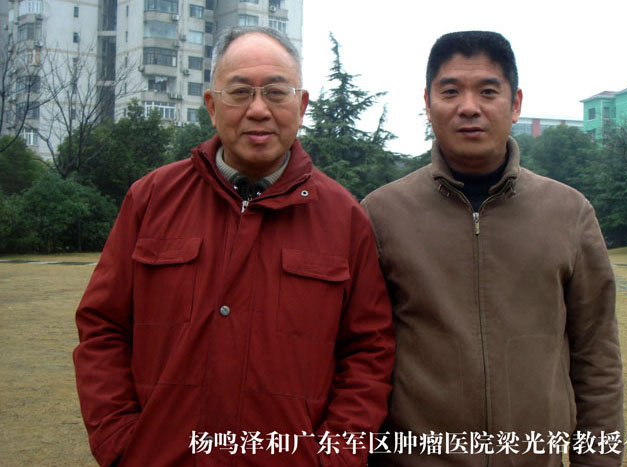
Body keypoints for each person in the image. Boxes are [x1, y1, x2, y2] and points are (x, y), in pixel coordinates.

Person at [73, 26, 394, 467]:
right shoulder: (151, 200)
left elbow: (368, 352)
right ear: (211, 105)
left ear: (302, 106)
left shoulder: (344, 218)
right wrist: (120, 442)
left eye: (276, 93)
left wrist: (334, 456)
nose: (258, 110)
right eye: (240, 92)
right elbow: (102, 327)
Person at [362, 31, 623, 466]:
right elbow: (361, 358)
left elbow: (597, 357)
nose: (469, 107)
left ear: (515, 104)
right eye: (450, 91)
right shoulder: (382, 214)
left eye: (488, 91)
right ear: (427, 103)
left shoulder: (569, 212)